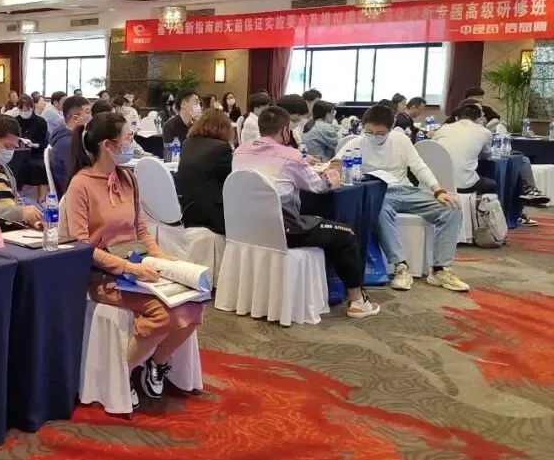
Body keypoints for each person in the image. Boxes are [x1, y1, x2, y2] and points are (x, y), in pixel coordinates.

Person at [65, 112, 204, 408]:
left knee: (194, 306)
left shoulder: (127, 178)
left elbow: (140, 228)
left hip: (138, 265)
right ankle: (122, 374)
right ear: (108, 145)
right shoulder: (81, 185)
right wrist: (129, 268)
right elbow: (82, 246)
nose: (132, 143)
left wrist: (160, 257)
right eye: (128, 137)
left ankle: (157, 362)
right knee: (163, 315)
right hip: (106, 275)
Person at [233, 106, 380, 318]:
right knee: (345, 233)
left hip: (246, 228)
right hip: (283, 230)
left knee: (320, 224)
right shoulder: (290, 156)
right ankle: (357, 300)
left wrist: (301, 163)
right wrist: (332, 175)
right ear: (285, 131)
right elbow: (319, 186)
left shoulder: (240, 151)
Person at [336, 104, 467, 292]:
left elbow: (419, 167)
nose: (374, 136)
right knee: (380, 213)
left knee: (451, 208)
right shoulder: (356, 143)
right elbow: (333, 166)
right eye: (369, 132)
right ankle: (400, 266)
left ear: (390, 129)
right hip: (378, 193)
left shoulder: (400, 140)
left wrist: (438, 191)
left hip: (405, 190)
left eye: (380, 133)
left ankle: (440, 269)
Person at [175, 109, 232, 235]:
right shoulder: (222, 148)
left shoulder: (187, 143)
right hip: (212, 216)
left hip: (188, 210)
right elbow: (232, 180)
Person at [48, 95, 89, 198]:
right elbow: (74, 178)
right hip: (72, 195)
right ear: (75, 118)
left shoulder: (62, 133)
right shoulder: (68, 144)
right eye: (87, 112)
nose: (90, 116)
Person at [14, 94, 49, 202]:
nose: (24, 111)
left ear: (32, 107)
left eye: (27, 109)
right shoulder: (15, 121)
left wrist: (34, 145)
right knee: (15, 165)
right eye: (22, 109)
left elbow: (44, 143)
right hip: (19, 152)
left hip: (36, 153)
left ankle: (42, 198)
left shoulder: (40, 122)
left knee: (40, 166)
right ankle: (16, 194)